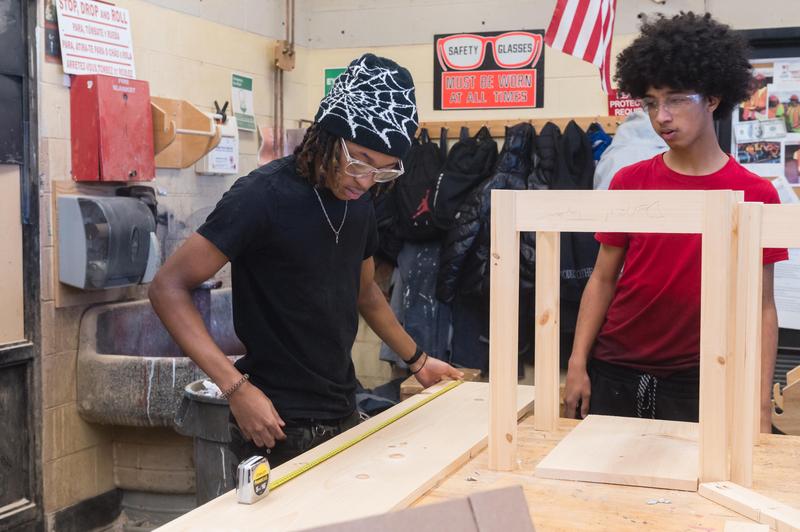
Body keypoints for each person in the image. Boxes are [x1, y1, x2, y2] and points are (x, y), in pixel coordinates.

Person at [149, 53, 463, 468]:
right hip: (274, 422)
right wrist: (236, 389)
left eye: (383, 171)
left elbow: (364, 291)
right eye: (359, 161)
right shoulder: (261, 196)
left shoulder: (361, 203)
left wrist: (418, 361)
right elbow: (167, 288)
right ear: (329, 134)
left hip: (342, 410)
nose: (365, 181)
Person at [563, 12, 787, 432]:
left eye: (677, 99)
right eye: (651, 102)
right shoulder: (630, 181)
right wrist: (576, 364)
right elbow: (603, 278)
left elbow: (762, 307)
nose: (661, 116)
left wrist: (758, 405)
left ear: (714, 98)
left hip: (700, 377)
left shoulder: (754, 193)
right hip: (615, 367)